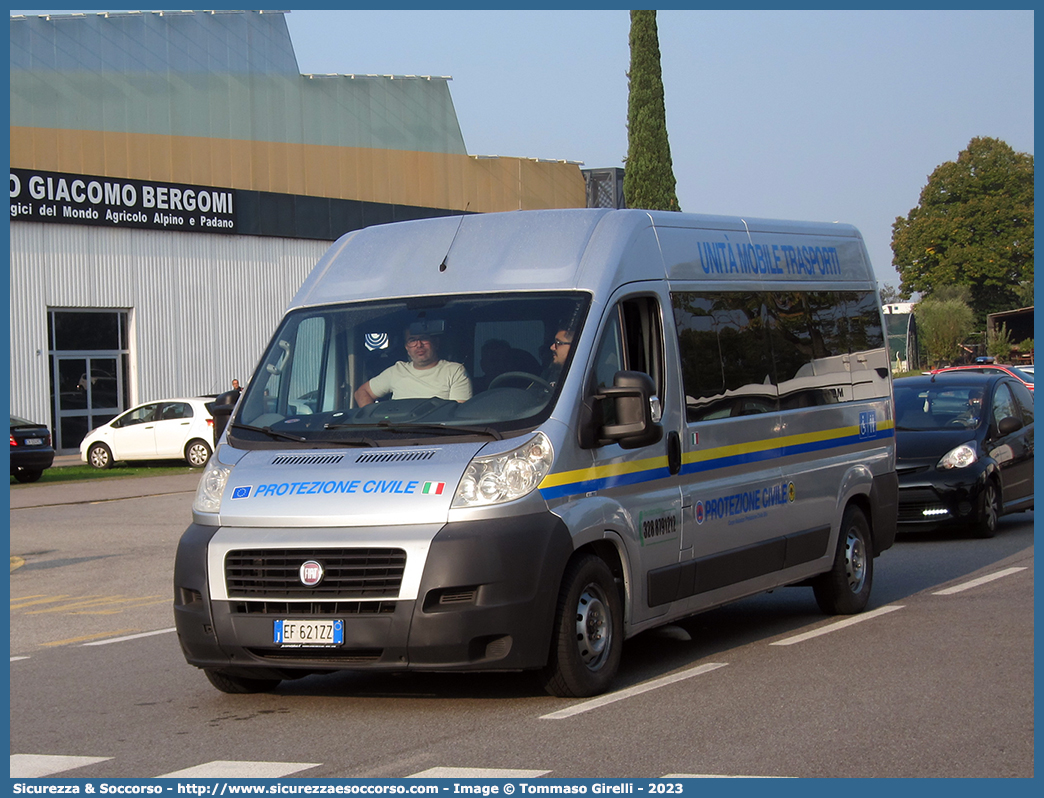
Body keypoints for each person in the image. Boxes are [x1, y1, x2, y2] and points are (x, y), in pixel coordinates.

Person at [354, 327, 472, 406]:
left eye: (424, 339)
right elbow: (361, 393)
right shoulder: (396, 371)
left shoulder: (455, 371)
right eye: (412, 340)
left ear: (435, 343)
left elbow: (459, 412)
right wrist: (376, 423)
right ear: (407, 347)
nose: (419, 345)